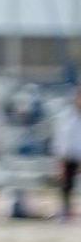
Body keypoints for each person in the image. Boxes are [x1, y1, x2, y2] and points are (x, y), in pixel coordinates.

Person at [54, 89, 81, 222]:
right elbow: (61, 138)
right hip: (69, 155)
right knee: (66, 186)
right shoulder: (67, 116)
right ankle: (66, 211)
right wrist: (60, 158)